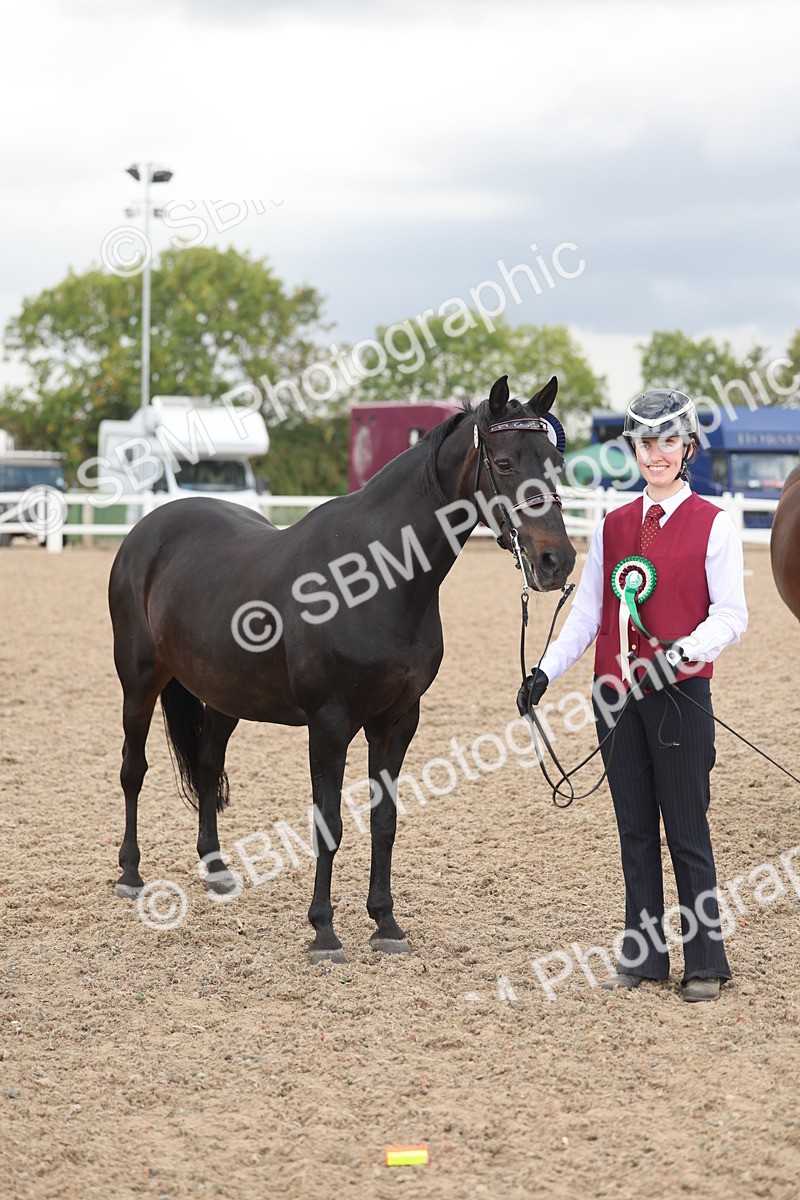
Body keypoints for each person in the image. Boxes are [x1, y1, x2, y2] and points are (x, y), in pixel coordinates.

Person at [518, 389, 748, 1003]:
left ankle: (706, 962)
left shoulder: (714, 524)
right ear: (635, 450)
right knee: (634, 831)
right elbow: (590, 614)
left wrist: (675, 657)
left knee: (686, 829)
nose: (656, 453)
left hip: (679, 697)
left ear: (687, 448)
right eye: (646, 443)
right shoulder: (614, 525)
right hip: (614, 698)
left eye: (668, 441)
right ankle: (644, 955)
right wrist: (545, 670)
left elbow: (732, 616)